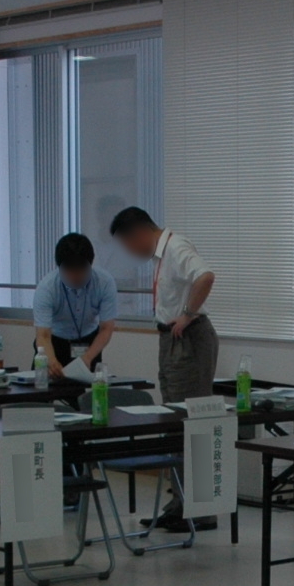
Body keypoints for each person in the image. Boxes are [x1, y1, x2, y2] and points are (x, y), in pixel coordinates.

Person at [112, 206, 216, 528]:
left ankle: (200, 510)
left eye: (127, 245)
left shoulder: (176, 247)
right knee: (173, 423)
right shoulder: (163, 254)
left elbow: (205, 276)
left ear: (138, 234)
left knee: (188, 422)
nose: (130, 253)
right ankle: (180, 503)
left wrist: (187, 314)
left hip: (188, 339)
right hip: (172, 339)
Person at [30, 233, 119, 377]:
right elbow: (43, 335)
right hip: (54, 343)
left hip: (89, 344)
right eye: (69, 270)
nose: (75, 276)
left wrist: (87, 358)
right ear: (59, 267)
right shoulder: (47, 288)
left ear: (90, 265)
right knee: (44, 386)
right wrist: (51, 360)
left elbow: (106, 328)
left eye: (81, 270)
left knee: (92, 389)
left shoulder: (104, 283)